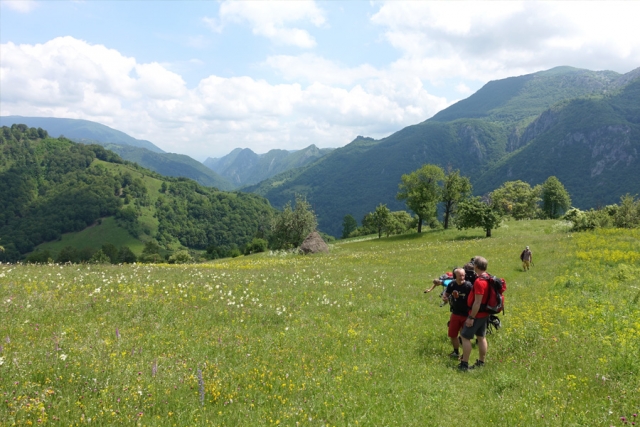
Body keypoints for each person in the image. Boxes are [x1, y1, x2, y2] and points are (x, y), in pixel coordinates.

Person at [459, 256, 490, 371]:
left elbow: (477, 302)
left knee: (465, 336)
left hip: (477, 314)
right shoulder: (488, 277)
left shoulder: (479, 281)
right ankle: (481, 362)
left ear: (476, 266)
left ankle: (464, 364)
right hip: (485, 313)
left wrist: (471, 317)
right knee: (481, 337)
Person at [441, 268, 473, 358]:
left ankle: (465, 355)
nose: (462, 277)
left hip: (466, 314)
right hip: (455, 313)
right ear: (455, 276)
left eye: (463, 275)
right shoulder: (452, 284)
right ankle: (456, 352)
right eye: (460, 276)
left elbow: (473, 300)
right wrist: (445, 298)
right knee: (452, 334)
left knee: (464, 337)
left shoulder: (468, 286)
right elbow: (446, 294)